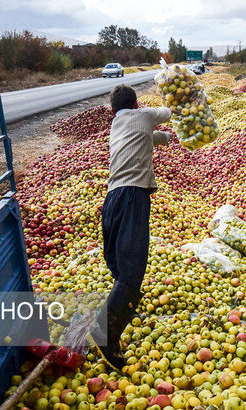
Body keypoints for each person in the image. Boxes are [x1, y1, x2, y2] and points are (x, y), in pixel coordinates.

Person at [89, 84, 173, 371]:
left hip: (111, 198)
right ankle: (104, 335)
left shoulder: (118, 125)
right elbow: (168, 111)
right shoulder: (144, 115)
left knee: (118, 265)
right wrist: (179, 90)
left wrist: (169, 139)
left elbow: (152, 137)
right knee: (132, 272)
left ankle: (113, 319)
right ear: (136, 104)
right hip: (132, 197)